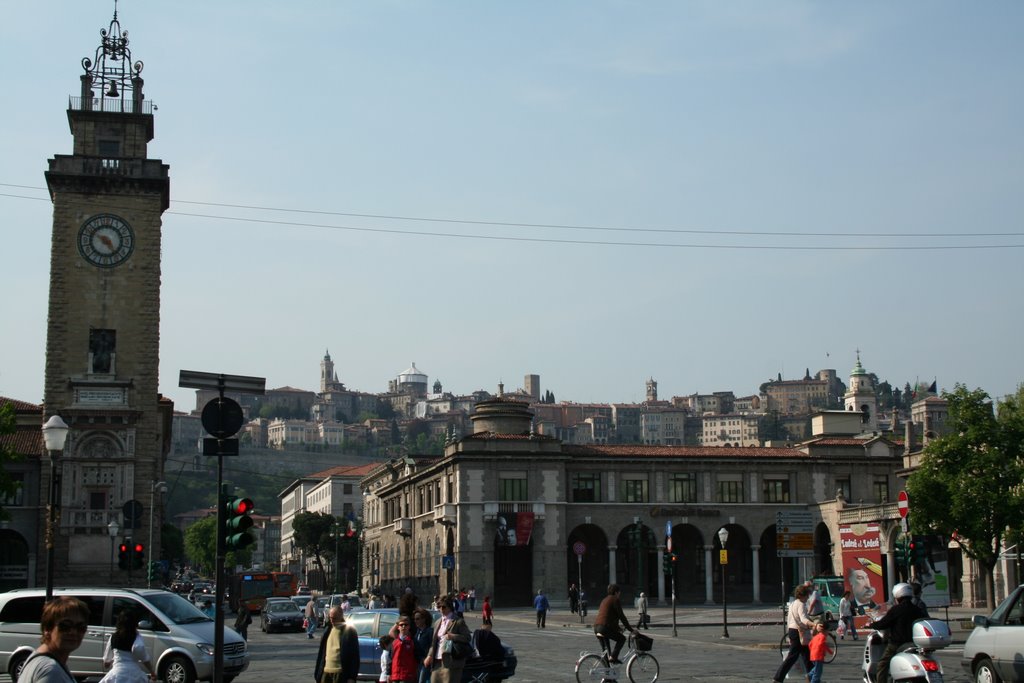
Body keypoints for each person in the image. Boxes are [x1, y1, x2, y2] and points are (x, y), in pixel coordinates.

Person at [19, 595, 91, 683]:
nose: (73, 632)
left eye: (80, 627)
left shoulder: (41, 660)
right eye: (65, 626)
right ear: (47, 629)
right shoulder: (50, 669)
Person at [871, 582, 926, 683]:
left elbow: (884, 623)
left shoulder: (896, 609)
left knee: (882, 663)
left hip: (897, 643)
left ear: (898, 596)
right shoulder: (917, 609)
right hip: (914, 642)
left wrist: (872, 624)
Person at [772, 584, 816, 683]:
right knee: (792, 657)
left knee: (807, 656)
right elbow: (803, 618)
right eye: (807, 595)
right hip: (798, 632)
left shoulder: (793, 603)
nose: (808, 597)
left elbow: (790, 619)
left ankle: (813, 679)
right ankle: (777, 678)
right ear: (802, 595)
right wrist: (813, 624)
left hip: (793, 631)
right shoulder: (800, 604)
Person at [424, 596, 471, 683]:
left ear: (450, 607)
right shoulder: (438, 622)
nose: (441, 609)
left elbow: (468, 637)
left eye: (444, 607)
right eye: (439, 607)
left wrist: (453, 636)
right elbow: (434, 642)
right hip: (437, 662)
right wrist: (429, 655)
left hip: (451, 662)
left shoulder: (458, 621)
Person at [99, 610, 154, 683]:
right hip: (135, 674)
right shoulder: (136, 637)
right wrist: (152, 672)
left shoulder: (113, 637)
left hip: (117, 674)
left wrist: (112, 660)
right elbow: (143, 656)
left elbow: (106, 663)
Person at [314, 607, 360, 683]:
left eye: (334, 618)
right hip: (326, 672)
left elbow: (354, 656)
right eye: (330, 618)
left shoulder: (349, 631)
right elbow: (322, 653)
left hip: (340, 673)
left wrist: (352, 677)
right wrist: (318, 674)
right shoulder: (327, 629)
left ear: (341, 616)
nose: (332, 620)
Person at [593, 584, 634, 664]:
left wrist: (618, 629)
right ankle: (613, 657)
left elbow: (609, 617)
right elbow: (622, 616)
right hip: (604, 627)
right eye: (619, 593)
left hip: (597, 627)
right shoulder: (615, 599)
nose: (619, 594)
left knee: (606, 651)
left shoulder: (604, 599)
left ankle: (607, 672)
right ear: (616, 592)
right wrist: (631, 630)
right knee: (622, 639)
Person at [389, 616, 417, 683]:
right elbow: (390, 658)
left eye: (406, 625)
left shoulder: (412, 641)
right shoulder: (395, 642)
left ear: (409, 627)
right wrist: (388, 674)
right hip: (395, 675)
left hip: (407, 676)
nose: (403, 626)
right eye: (401, 625)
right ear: (398, 627)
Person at [411, 608, 433, 683]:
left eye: (418, 619)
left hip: (426, 663)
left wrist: (427, 658)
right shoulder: (417, 632)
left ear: (424, 619)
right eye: (414, 619)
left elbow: (432, 646)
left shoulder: (429, 631)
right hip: (417, 662)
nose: (415, 621)